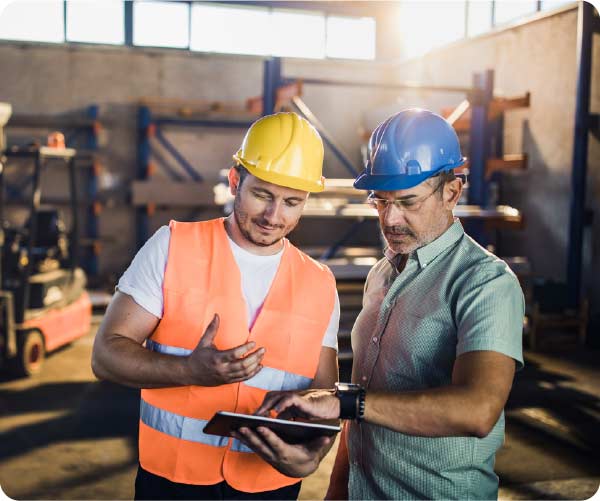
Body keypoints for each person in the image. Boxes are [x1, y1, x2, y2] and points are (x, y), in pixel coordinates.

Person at [254, 108, 525, 500]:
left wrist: (345, 402)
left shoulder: (485, 283)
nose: (390, 219)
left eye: (408, 201)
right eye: (380, 202)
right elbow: (363, 406)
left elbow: (478, 409)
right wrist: (336, 490)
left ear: (452, 191)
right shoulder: (381, 275)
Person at [91, 112, 340, 500]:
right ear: (235, 181)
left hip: (270, 485)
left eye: (292, 202)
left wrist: (312, 457)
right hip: (172, 483)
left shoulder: (320, 283)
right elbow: (105, 356)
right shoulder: (173, 246)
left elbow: (323, 396)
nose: (275, 216)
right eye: (262, 195)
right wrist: (187, 369)